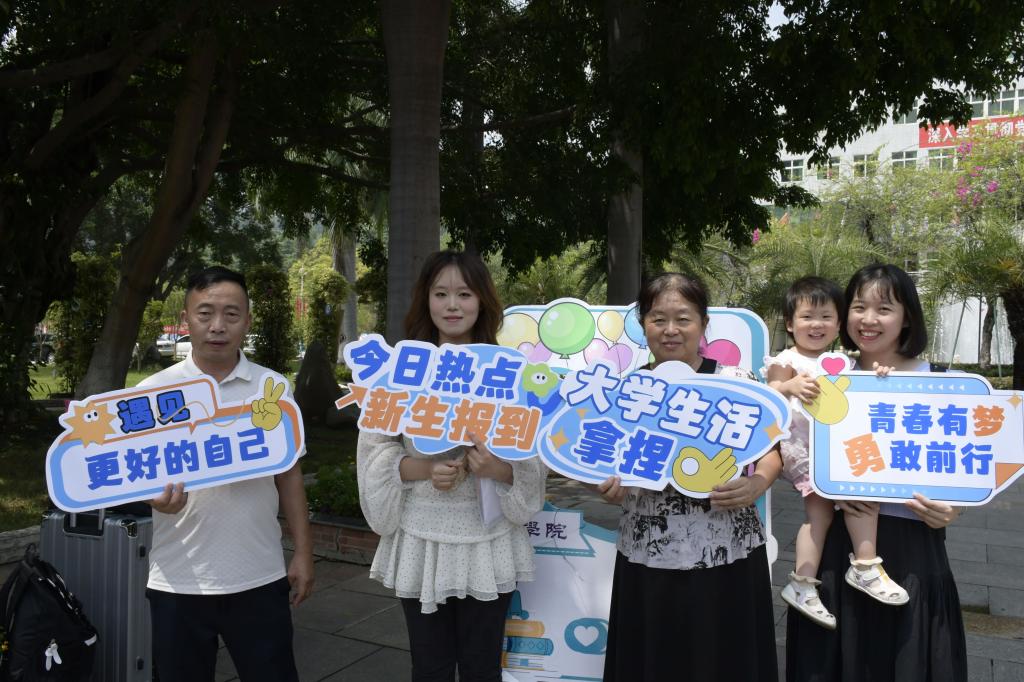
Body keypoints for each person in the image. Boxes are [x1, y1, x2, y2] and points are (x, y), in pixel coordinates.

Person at [356, 250, 546, 682]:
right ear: (426, 300)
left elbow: (532, 457)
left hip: (488, 540)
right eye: (440, 293)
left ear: (482, 301)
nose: (452, 305)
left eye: (464, 293)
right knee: (430, 667)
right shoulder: (401, 371)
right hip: (422, 539)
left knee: (482, 667)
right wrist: (422, 469)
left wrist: (498, 469)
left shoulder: (509, 372)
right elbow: (374, 450)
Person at [597, 272, 782, 681]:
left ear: (703, 323)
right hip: (649, 551)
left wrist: (757, 483)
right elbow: (604, 461)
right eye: (658, 319)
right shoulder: (626, 391)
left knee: (724, 659)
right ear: (643, 324)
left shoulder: (737, 383)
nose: (670, 330)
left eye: (683, 318)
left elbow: (772, 453)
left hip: (728, 551)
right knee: (654, 660)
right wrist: (606, 485)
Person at [786, 263, 966, 682]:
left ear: (907, 317)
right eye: (858, 307)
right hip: (838, 549)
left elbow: (963, 469)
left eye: (884, 309)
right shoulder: (824, 378)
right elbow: (788, 443)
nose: (868, 320)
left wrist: (952, 510)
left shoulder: (943, 383)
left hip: (913, 551)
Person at [139, 266, 313, 682]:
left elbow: (289, 477)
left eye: (231, 314)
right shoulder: (152, 394)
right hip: (178, 579)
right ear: (186, 319)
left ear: (247, 321)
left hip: (259, 574)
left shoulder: (273, 389)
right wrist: (152, 498)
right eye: (205, 313)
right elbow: (139, 476)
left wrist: (303, 553)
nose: (218, 326)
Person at [766, 277, 908, 630]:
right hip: (805, 450)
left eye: (826, 317)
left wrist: (880, 373)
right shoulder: (787, 359)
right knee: (823, 513)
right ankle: (839, 572)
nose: (817, 325)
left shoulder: (842, 361)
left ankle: (836, 574)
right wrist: (789, 385)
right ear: (789, 324)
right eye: (807, 317)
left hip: (837, 447)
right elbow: (769, 395)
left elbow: (860, 391)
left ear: (839, 323)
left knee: (843, 507)